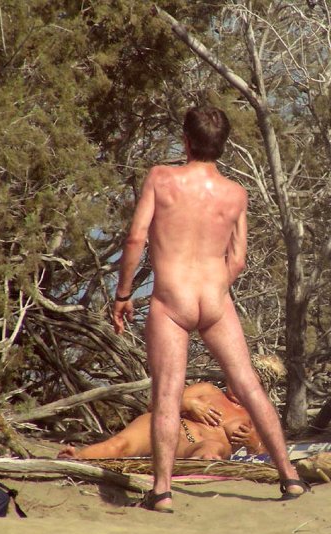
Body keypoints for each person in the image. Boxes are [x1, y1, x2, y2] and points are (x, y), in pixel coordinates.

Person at [112, 106, 307, 512]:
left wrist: (124, 293)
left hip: (172, 301)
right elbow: (238, 259)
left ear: (185, 140)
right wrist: (214, 287)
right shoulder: (236, 194)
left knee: (167, 393)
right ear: (223, 145)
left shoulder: (161, 179)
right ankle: (289, 477)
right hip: (215, 300)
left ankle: (162, 492)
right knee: (250, 385)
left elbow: (134, 240)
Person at [56, 382, 266, 461]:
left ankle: (196, 466)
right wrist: (187, 403)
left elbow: (264, 455)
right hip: (170, 426)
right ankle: (79, 455)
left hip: (194, 446)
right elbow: (153, 406)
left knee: (211, 450)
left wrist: (253, 441)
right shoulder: (207, 390)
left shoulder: (256, 416)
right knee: (119, 445)